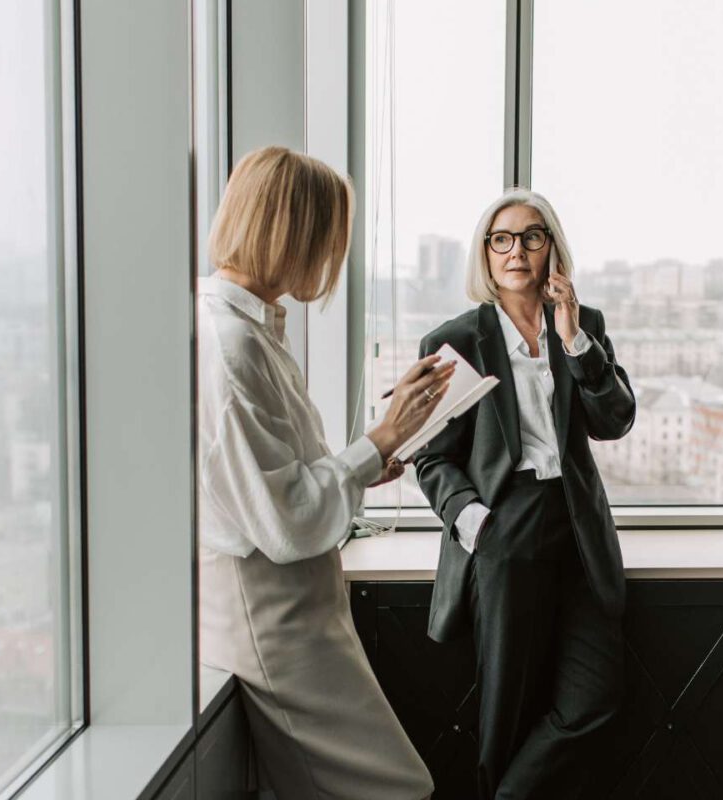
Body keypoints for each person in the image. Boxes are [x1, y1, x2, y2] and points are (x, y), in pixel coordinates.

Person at [197, 145, 449, 799]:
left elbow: (282, 480)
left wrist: (368, 464)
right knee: (401, 789)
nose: (335, 260)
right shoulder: (228, 347)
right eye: (329, 239)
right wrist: (378, 439)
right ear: (293, 234)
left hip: (296, 609)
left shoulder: (250, 334)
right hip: (270, 616)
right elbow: (282, 520)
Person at [413, 188, 635, 799]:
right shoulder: (455, 339)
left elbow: (614, 420)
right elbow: (431, 458)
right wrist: (476, 524)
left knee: (596, 696)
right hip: (503, 526)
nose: (517, 250)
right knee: (505, 709)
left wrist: (574, 342)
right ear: (485, 254)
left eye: (532, 237)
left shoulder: (583, 326)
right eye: (501, 238)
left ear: (552, 249)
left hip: (576, 527)